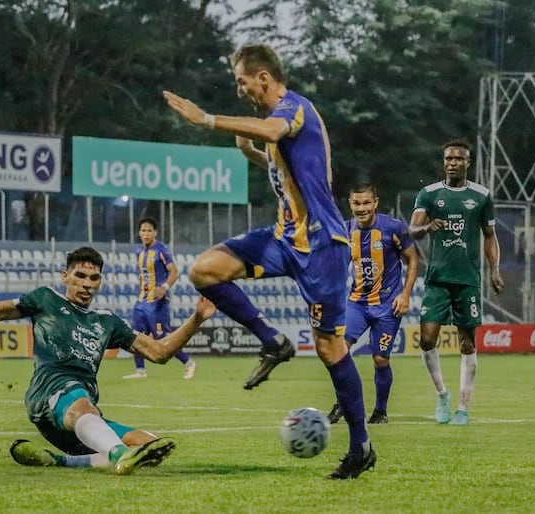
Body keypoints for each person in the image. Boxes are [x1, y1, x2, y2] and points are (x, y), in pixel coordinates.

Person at [163, 44, 375, 479]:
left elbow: (276, 132)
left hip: (322, 245)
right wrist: (251, 153)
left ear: (263, 77)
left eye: (242, 80)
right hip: (283, 238)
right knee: (203, 269)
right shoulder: (277, 126)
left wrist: (206, 119)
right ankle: (272, 339)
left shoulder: (295, 109)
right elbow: (278, 159)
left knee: (329, 348)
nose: (239, 89)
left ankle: (361, 448)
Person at [0, 247, 215, 475]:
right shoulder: (45, 300)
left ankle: (63, 461)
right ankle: (119, 456)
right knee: (82, 403)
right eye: (80, 275)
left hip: (83, 419)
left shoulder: (107, 322)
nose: (87, 283)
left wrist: (197, 319)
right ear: (66, 276)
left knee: (153, 445)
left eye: (94, 277)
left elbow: (159, 353)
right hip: (50, 396)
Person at [409, 139, 504, 426]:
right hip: (437, 279)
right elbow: (412, 229)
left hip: (468, 280)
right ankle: (441, 394)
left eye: (458, 159)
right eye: (448, 158)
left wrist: (494, 270)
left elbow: (489, 236)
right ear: (444, 162)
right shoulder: (429, 193)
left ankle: (463, 408)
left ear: (467, 163)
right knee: (426, 339)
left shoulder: (481, 196)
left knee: (467, 344)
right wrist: (426, 227)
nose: (452, 163)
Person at [327, 184, 419, 425]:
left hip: (388, 305)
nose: (362, 208)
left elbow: (413, 259)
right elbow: (338, 266)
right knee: (339, 350)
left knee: (380, 359)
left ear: (375, 202)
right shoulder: (346, 230)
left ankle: (380, 411)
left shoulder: (394, 228)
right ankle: (343, 404)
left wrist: (406, 294)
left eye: (366, 203)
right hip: (357, 302)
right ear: (350, 205)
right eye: (357, 203)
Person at [123, 217, 197, 379]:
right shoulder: (139, 252)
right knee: (135, 335)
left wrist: (164, 287)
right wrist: (140, 292)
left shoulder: (161, 250)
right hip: (142, 301)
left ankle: (189, 363)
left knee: (162, 338)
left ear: (155, 233)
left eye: (149, 230)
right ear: (139, 233)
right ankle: (140, 370)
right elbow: (143, 276)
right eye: (143, 230)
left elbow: (174, 272)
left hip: (158, 303)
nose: (146, 233)